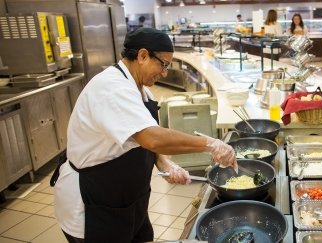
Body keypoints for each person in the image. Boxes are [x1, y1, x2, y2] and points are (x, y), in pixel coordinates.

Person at [51, 28, 237, 242]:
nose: (165, 73)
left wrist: (165, 164)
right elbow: (153, 138)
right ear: (142, 56)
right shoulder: (111, 89)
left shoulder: (140, 88)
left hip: (128, 201)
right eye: (164, 64)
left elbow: (143, 142)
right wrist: (212, 144)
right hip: (94, 206)